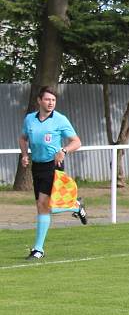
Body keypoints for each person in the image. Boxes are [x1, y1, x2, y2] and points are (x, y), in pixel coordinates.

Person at [18, 86, 88, 260]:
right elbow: (22, 138)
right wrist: (25, 155)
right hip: (37, 166)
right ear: (39, 101)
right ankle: (76, 206)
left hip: (53, 166)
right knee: (43, 207)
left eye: (53, 100)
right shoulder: (30, 120)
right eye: (48, 99)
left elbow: (76, 142)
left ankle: (38, 249)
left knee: (45, 205)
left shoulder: (60, 120)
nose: (50, 103)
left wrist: (63, 150)